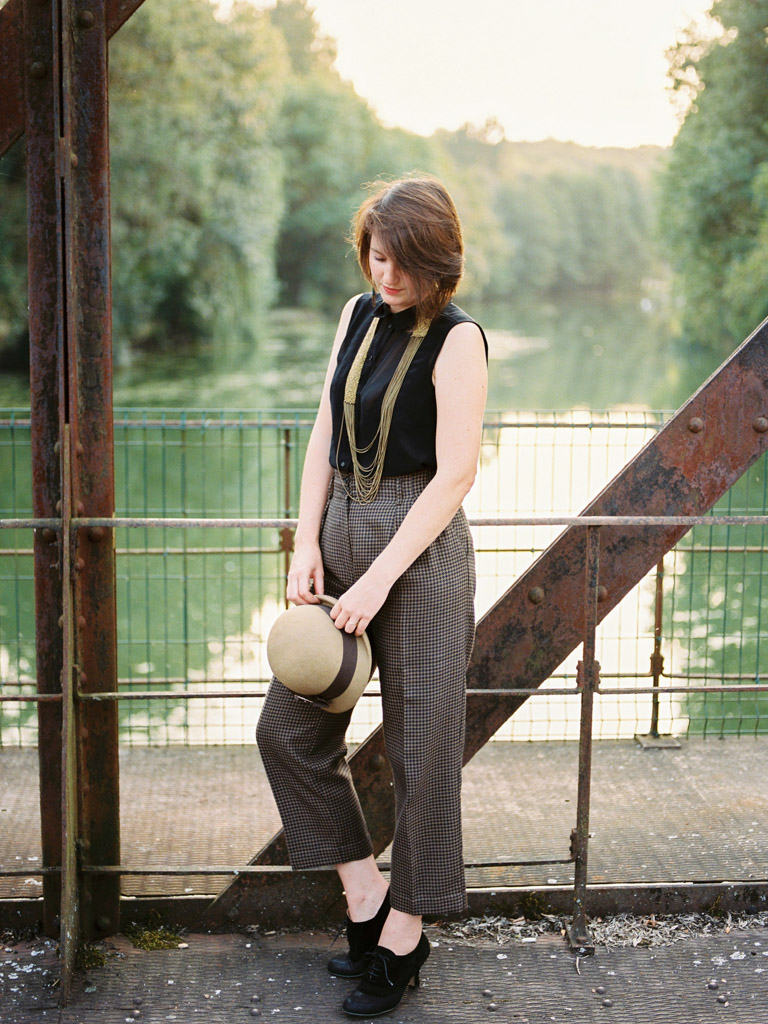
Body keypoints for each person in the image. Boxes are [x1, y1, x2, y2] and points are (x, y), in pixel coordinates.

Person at [257, 174, 488, 1017]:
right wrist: (306, 541)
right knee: (286, 730)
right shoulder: (356, 316)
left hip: (419, 554)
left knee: (424, 757)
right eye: (375, 256)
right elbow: (324, 428)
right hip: (343, 525)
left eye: (401, 261)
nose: (384, 276)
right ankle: (364, 899)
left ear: (438, 259)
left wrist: (381, 574)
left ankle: (406, 934)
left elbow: (456, 472)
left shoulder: (460, 339)